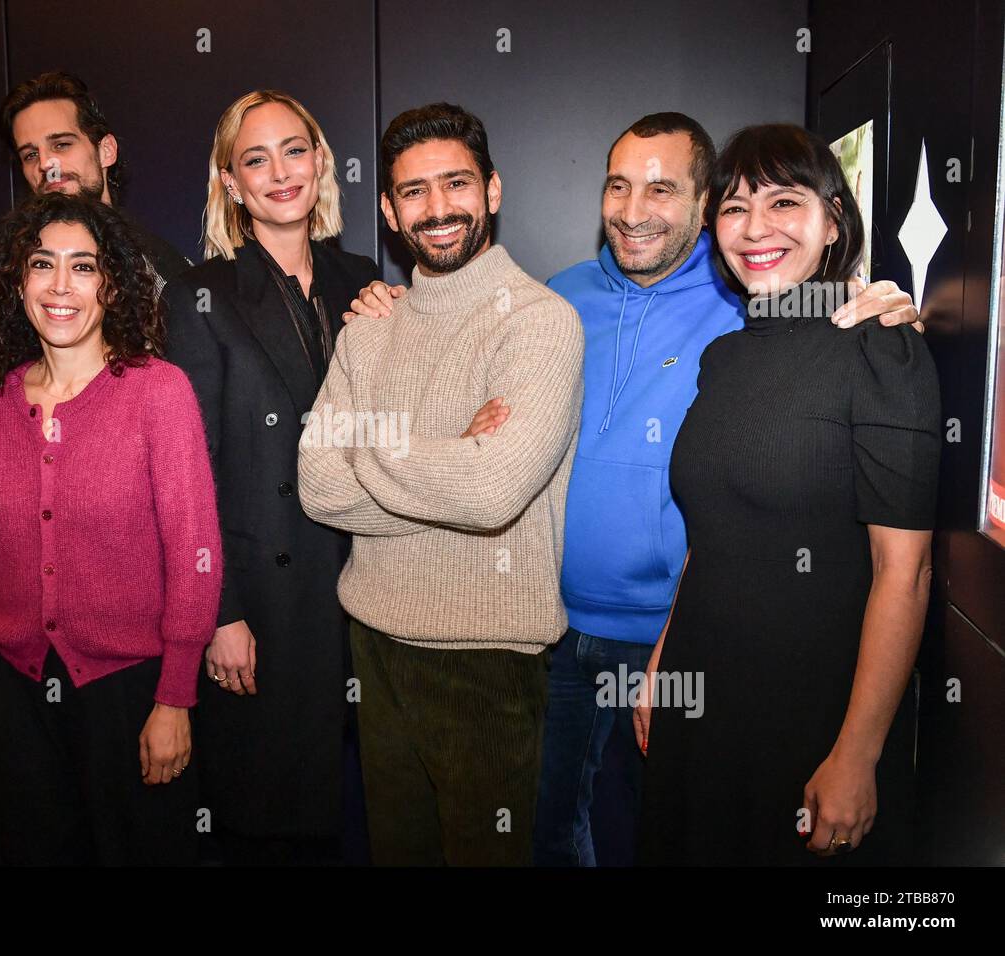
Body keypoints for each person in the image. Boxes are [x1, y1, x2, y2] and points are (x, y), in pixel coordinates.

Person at [346, 112, 923, 867]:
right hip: (550, 632)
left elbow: (819, 318)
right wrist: (391, 302)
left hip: (670, 641)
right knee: (546, 837)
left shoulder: (746, 308)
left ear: (700, 200)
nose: (632, 209)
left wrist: (877, 295)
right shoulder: (555, 301)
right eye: (617, 186)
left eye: (661, 188)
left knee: (655, 832)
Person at [633, 124, 940, 865]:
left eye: (784, 202)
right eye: (735, 208)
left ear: (833, 219)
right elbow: (711, 537)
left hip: (813, 718)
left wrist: (858, 756)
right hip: (700, 701)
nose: (756, 227)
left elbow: (907, 573)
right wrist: (659, 666)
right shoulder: (726, 355)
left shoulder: (881, 347)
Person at [298, 103, 584, 866]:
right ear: (389, 213)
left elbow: (493, 494)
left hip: (486, 660)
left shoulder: (540, 322)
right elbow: (317, 485)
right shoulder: (369, 327)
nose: (437, 208)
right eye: (413, 193)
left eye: (455, 183)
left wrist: (368, 439)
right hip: (375, 643)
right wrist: (448, 453)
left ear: (491, 190)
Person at [0, 192, 222, 865]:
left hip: (130, 694)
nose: (61, 285)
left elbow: (195, 552)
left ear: (113, 284)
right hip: (16, 695)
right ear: (19, 281)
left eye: (84, 267)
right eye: (42, 264)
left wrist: (175, 695)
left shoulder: (159, 392)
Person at [162, 90, 378, 866]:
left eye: (295, 149)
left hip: (366, 591)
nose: (280, 171)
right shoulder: (200, 295)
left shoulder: (367, 280)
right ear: (230, 182)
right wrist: (219, 612)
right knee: (271, 823)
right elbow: (191, 472)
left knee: (362, 815)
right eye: (256, 158)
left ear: (322, 162)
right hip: (264, 601)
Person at [0, 71, 190, 490]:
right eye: (29, 154)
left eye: (61, 144)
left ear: (106, 149)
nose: (46, 164)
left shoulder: (169, 271)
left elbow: (195, 437)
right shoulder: (7, 282)